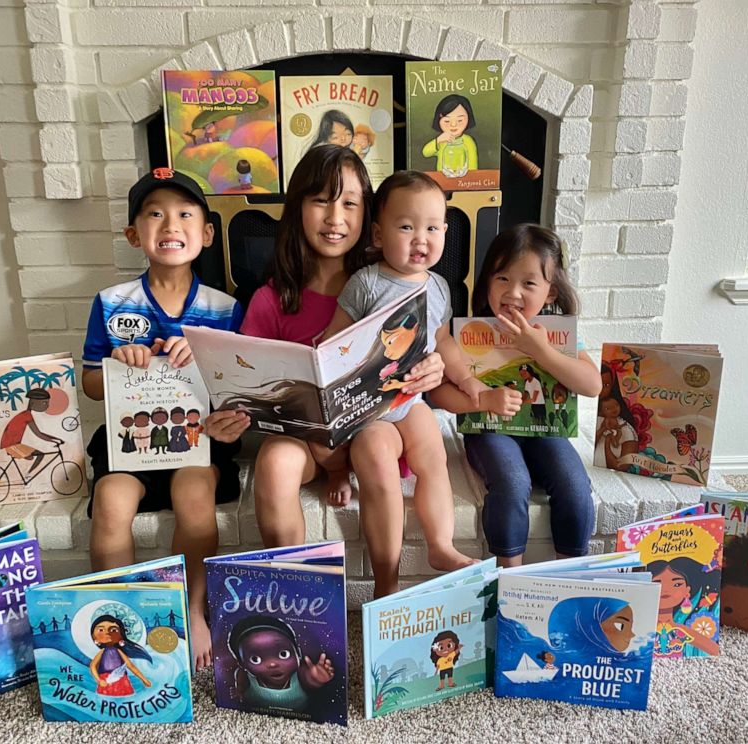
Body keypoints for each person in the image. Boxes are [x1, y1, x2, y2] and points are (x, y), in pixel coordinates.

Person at [206, 148, 447, 597]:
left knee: (377, 444)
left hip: (373, 430)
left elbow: (432, 340)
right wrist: (227, 419)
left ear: (369, 218)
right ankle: (292, 599)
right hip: (303, 437)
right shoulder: (271, 299)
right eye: (321, 199)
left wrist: (435, 366)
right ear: (297, 207)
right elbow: (238, 382)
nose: (335, 217)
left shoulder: (390, 281)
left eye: (350, 203)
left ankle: (386, 591)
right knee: (274, 463)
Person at [81, 167, 243, 671]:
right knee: (110, 501)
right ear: (134, 234)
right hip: (130, 440)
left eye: (184, 214)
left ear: (207, 233)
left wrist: (203, 363)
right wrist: (117, 365)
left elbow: (235, 391)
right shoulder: (112, 304)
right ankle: (119, 618)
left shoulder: (225, 308)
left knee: (193, 495)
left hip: (195, 441)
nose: (169, 224)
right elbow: (87, 383)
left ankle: (191, 610)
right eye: (154, 214)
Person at [322, 170, 482, 595]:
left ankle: (440, 545)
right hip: (371, 411)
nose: (420, 239)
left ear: (445, 231)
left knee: (434, 457)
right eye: (406, 227)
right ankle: (386, 579)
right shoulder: (367, 282)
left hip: (411, 402)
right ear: (378, 232)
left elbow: (443, 338)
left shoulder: (440, 286)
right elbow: (335, 341)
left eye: (432, 228)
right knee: (376, 459)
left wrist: (464, 377)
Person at [429, 224, 602, 567]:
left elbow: (592, 385)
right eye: (502, 278)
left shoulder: (556, 335)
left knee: (575, 486)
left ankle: (568, 575)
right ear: (487, 281)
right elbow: (438, 393)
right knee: (511, 482)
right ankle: (510, 581)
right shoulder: (471, 331)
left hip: (545, 432)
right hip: (490, 431)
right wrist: (480, 400)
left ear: (551, 293)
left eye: (529, 283)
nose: (513, 292)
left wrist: (542, 352)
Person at [0, 387, 64, 474]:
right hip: (11, 445)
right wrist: (54, 441)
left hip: (15, 444)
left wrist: (57, 439)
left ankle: (28, 475)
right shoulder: (26, 416)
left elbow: (40, 433)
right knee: (38, 455)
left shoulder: (26, 414)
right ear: (33, 403)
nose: (47, 406)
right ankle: (27, 475)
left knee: (38, 455)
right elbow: (38, 434)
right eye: (44, 403)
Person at [421, 94, 479, 178]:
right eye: (447, 121)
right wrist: (438, 140)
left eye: (460, 120)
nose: (453, 125)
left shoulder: (468, 141)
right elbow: (425, 152)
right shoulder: (442, 140)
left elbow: (473, 166)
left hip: (463, 181)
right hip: (443, 181)